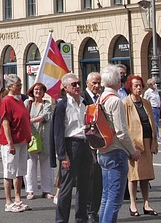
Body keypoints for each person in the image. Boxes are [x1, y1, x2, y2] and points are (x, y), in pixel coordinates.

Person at [95, 65, 139, 223]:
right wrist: (133, 151)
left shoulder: (100, 98)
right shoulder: (115, 101)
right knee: (115, 198)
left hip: (102, 149)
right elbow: (121, 132)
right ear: (116, 82)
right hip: (115, 150)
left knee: (106, 195)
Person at [53, 73, 91, 223]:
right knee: (66, 187)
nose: (77, 86)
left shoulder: (84, 102)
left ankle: (81, 218)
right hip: (71, 145)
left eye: (78, 83)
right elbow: (58, 132)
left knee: (84, 185)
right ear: (66, 88)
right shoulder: (62, 105)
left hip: (85, 144)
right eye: (73, 84)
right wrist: (63, 155)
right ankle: (61, 220)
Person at [123, 75, 159, 216]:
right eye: (135, 86)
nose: (138, 88)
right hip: (134, 144)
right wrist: (129, 146)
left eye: (140, 85)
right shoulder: (125, 103)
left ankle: (146, 203)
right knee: (134, 176)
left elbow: (151, 123)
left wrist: (154, 142)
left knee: (146, 175)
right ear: (130, 88)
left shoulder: (146, 103)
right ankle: (133, 204)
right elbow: (125, 126)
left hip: (147, 141)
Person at [0, 74, 31, 213]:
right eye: (18, 85)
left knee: (20, 171)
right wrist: (10, 143)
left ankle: (18, 199)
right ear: (10, 87)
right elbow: (5, 123)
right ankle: (8, 201)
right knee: (9, 171)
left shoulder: (20, 100)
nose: (20, 87)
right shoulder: (7, 101)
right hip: (11, 142)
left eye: (20, 84)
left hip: (22, 140)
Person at [23, 81, 53, 200]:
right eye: (36, 90)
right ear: (32, 91)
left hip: (44, 136)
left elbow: (45, 116)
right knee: (30, 164)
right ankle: (30, 190)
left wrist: (31, 120)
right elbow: (23, 115)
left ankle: (47, 190)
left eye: (40, 90)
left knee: (46, 164)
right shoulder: (27, 103)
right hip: (31, 136)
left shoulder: (47, 104)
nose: (38, 92)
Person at [82, 71, 104, 219]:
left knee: (98, 179)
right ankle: (89, 211)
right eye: (94, 83)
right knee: (90, 177)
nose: (97, 86)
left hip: (102, 141)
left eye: (98, 83)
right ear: (87, 84)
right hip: (87, 143)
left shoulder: (102, 98)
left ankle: (95, 208)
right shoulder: (83, 98)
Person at [143, 78, 161, 142]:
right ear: (150, 85)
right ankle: (156, 136)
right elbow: (145, 100)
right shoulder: (148, 92)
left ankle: (156, 135)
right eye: (154, 84)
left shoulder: (156, 90)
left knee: (157, 123)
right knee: (155, 124)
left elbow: (157, 98)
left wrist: (160, 105)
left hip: (157, 108)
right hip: (153, 108)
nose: (155, 85)